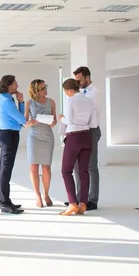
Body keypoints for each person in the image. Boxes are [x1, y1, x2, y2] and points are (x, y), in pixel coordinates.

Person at [0, 75, 37, 214]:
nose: (17, 85)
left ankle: (6, 201)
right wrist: (31, 121)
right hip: (9, 136)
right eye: (15, 83)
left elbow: (20, 118)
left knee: (5, 170)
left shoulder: (6, 99)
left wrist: (20, 102)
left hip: (8, 135)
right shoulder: (6, 102)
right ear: (9, 86)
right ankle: (4, 203)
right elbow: (23, 120)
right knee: (5, 171)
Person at [58, 78, 98, 216]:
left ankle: (72, 204)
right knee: (84, 172)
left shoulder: (71, 100)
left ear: (69, 90)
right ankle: (82, 204)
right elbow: (94, 124)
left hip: (74, 137)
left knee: (66, 171)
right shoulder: (90, 101)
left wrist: (61, 118)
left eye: (65, 92)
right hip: (87, 137)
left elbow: (68, 120)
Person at [73, 66, 101, 211]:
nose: (77, 83)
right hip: (80, 130)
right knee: (78, 166)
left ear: (87, 77)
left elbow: (89, 113)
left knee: (91, 166)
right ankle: (79, 198)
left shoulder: (95, 93)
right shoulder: (80, 93)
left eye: (79, 80)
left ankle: (92, 199)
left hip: (91, 130)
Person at [24, 79, 56, 208]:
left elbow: (54, 123)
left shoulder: (51, 102)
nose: (45, 90)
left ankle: (46, 194)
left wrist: (51, 121)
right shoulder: (29, 102)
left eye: (45, 87)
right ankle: (37, 195)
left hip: (47, 137)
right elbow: (25, 123)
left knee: (46, 168)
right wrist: (32, 122)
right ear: (35, 91)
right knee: (33, 167)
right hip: (34, 137)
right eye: (42, 88)